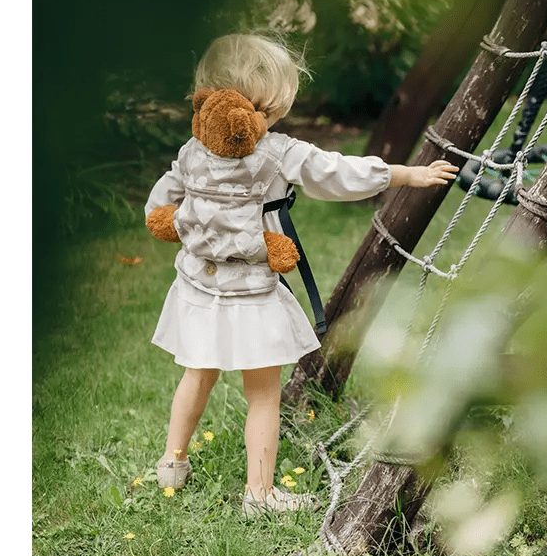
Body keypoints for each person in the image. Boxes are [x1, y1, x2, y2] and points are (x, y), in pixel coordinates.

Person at [145, 32, 458, 517]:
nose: (266, 122)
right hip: (251, 292)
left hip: (200, 286)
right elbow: (336, 173)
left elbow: (163, 198)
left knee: (197, 374)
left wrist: (169, 218)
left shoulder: (193, 149)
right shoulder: (277, 151)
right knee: (263, 395)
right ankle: (260, 495)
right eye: (266, 111)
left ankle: (172, 464)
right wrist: (403, 174)